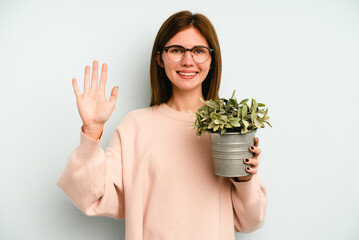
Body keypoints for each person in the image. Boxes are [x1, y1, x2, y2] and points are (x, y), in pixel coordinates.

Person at [57, 10, 267, 240]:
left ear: (212, 60)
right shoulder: (135, 127)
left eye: (199, 51)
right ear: (160, 58)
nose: (188, 60)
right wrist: (92, 129)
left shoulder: (227, 129)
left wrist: (245, 179)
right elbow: (91, 196)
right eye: (176, 50)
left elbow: (250, 221)